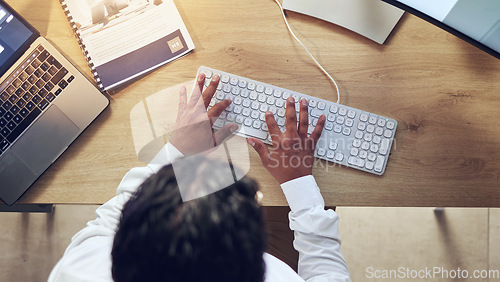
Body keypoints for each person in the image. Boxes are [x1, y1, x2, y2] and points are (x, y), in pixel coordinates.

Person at [48, 73, 351, 282]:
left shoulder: (79, 270)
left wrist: (177, 151)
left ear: (120, 251)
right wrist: (299, 185)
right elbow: (328, 275)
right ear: (258, 265)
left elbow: (111, 219)